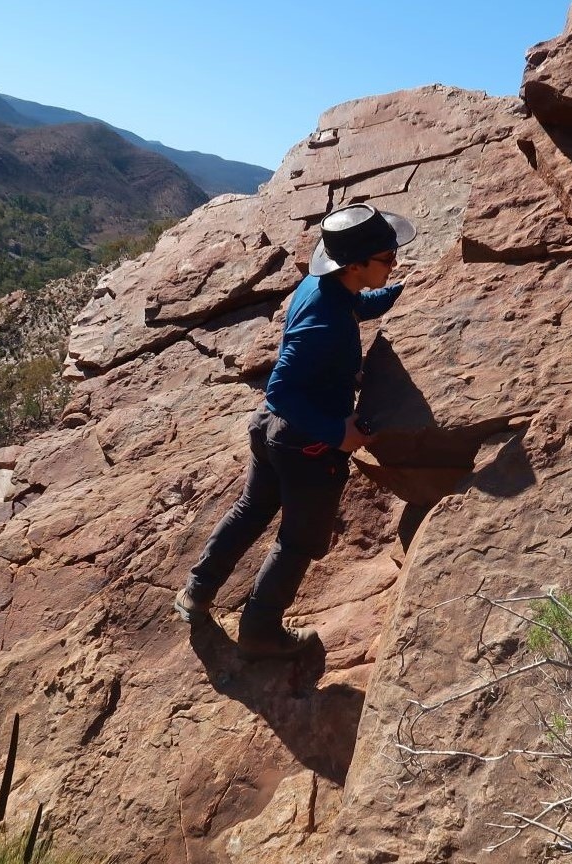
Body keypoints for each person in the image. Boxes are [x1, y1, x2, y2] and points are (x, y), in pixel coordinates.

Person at [174, 203, 416, 659]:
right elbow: (281, 388)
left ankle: (196, 591)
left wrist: (400, 291)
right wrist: (335, 432)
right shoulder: (322, 323)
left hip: (271, 432)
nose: (395, 262)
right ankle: (261, 632)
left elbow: (355, 304)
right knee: (298, 540)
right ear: (355, 264)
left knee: (251, 510)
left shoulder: (323, 285)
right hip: (306, 443)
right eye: (387, 259)